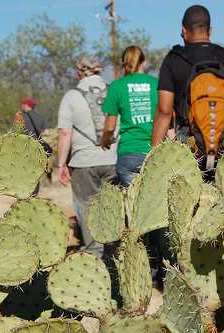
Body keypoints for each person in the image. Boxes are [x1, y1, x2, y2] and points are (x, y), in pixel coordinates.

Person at [152, 4, 224, 176]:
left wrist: (154, 159)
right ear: (210, 30)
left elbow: (164, 112)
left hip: (190, 141)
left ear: (183, 31)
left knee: (188, 196)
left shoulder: (174, 60)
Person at [57, 58, 117, 258]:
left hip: (83, 161)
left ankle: (94, 251)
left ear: (78, 73)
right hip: (113, 158)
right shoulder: (114, 91)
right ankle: (114, 249)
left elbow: (65, 133)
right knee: (111, 205)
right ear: (99, 72)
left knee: (87, 206)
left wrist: (61, 164)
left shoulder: (71, 97)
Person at [100, 46, 158, 187]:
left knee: (131, 205)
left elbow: (110, 126)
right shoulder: (156, 84)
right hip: (154, 152)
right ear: (143, 62)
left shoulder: (117, 86)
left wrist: (105, 141)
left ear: (124, 63)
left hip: (128, 153)